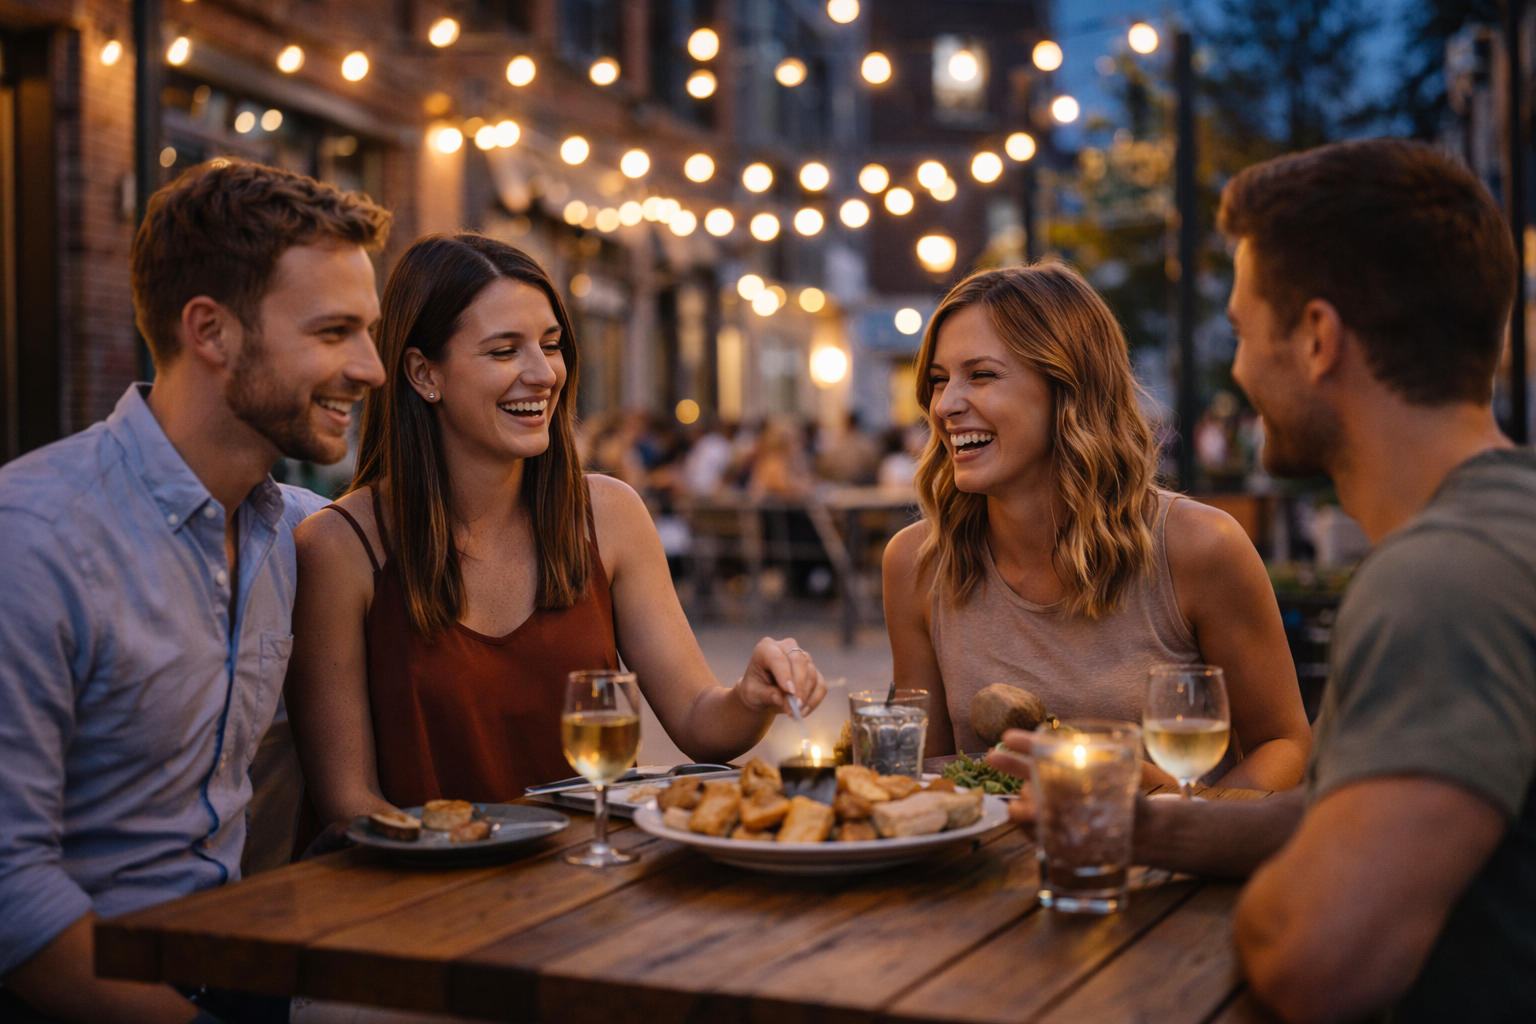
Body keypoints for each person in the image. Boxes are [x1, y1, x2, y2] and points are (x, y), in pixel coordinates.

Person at [993, 138, 1536, 1022]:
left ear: (1318, 338)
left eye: (1244, 332)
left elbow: (1314, 960)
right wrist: (1141, 823)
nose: (1238, 369)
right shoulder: (1502, 532)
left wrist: (1273, 908)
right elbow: (1334, 813)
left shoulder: (1441, 582)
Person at [0, 160, 389, 1023]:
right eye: (334, 331)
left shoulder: (302, 534)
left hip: (254, 966)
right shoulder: (33, 539)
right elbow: (8, 893)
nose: (371, 369)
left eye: (371, 332)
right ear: (210, 330)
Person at [284, 234, 826, 833]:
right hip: (423, 902)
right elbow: (348, 804)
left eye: (551, 345)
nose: (543, 374)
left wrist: (750, 697)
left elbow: (701, 724)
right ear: (422, 373)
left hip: (583, 888)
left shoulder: (609, 514)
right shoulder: (339, 548)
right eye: (503, 351)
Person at [883, 260, 1310, 791]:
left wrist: (1182, 817)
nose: (945, 405)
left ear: (1069, 388)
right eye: (939, 381)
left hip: (1166, 868)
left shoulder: (1198, 547)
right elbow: (926, 783)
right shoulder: (916, 563)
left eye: (983, 375)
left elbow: (1286, 747)